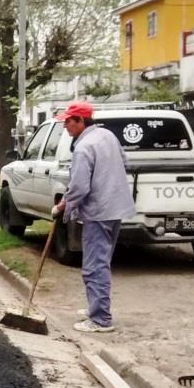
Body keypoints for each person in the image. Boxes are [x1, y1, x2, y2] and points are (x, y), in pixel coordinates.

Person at [51, 102, 135, 333]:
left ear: (80, 120)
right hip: (115, 208)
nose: (65, 126)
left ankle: (100, 319)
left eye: (68, 121)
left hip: (99, 212)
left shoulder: (83, 147)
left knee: (94, 266)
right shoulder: (107, 135)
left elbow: (79, 187)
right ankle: (95, 307)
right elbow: (125, 163)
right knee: (101, 261)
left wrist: (63, 207)